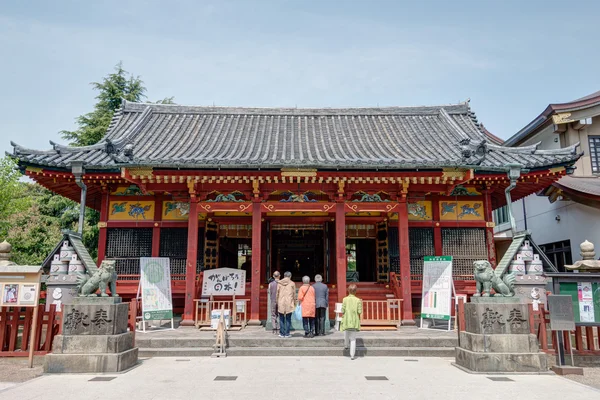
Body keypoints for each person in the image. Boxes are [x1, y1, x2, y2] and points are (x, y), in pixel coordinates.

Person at [341, 283, 362, 360]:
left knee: (346, 333)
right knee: (353, 338)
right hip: (354, 321)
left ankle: (346, 345)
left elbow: (342, 310)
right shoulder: (358, 300)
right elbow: (359, 312)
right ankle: (352, 355)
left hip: (346, 319)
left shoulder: (345, 299)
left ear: (348, 291)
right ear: (355, 291)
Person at [276, 271, 295, 338]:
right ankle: (287, 333)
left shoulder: (279, 283)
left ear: (284, 276)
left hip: (281, 302)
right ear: (290, 276)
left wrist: (277, 302)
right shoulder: (292, 283)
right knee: (288, 318)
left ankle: (281, 333)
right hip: (289, 302)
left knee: (281, 318)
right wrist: (294, 303)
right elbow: (293, 294)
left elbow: (277, 294)